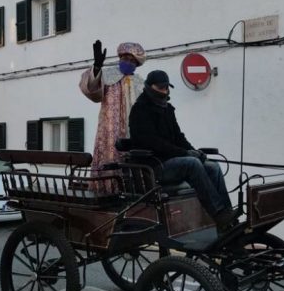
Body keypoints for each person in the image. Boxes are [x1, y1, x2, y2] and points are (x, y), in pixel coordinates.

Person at [129, 70, 238, 232]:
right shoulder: (140, 110)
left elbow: (179, 137)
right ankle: (218, 212)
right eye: (161, 88)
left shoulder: (167, 109)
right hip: (154, 166)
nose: (165, 91)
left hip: (172, 161)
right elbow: (153, 143)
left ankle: (227, 215)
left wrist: (194, 151)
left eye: (167, 88)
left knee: (213, 166)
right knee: (191, 163)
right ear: (149, 87)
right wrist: (185, 153)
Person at [80, 40, 146, 192]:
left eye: (131, 60)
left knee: (131, 158)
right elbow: (91, 90)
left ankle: (130, 190)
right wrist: (97, 67)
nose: (127, 62)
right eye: (125, 58)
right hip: (110, 129)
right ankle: (107, 189)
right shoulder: (108, 75)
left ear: (137, 64)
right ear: (119, 58)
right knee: (110, 155)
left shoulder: (140, 83)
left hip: (133, 131)